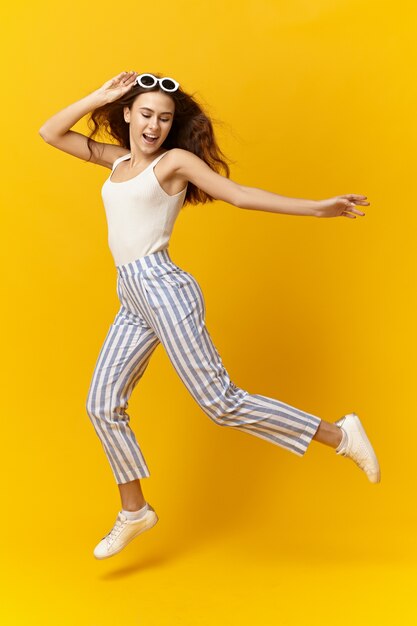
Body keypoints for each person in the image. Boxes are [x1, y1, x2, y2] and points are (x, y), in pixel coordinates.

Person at [39, 70, 381, 560]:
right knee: (101, 403)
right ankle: (134, 512)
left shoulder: (174, 162)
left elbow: (237, 195)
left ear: (172, 125)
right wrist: (103, 94)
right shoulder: (118, 162)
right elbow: (51, 133)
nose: (155, 126)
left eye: (165, 118)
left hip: (165, 289)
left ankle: (339, 434)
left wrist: (316, 208)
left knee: (220, 403)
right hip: (132, 296)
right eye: (147, 114)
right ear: (130, 115)